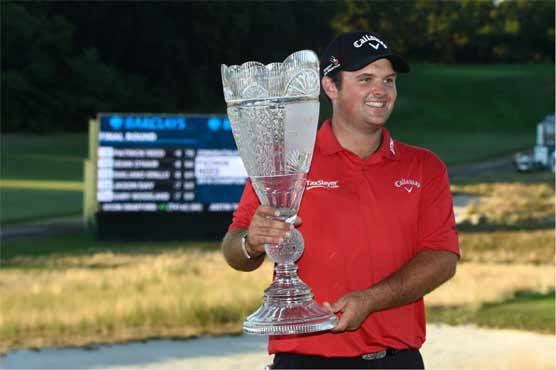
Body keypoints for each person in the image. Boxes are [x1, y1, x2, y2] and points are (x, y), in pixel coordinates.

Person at [221, 31, 460, 369]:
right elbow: (234, 251)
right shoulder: (286, 162)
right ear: (330, 87)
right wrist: (252, 242)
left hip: (396, 361)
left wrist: (370, 300)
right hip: (305, 361)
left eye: (388, 80)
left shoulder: (424, 167)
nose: (381, 91)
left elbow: (442, 258)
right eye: (365, 79)